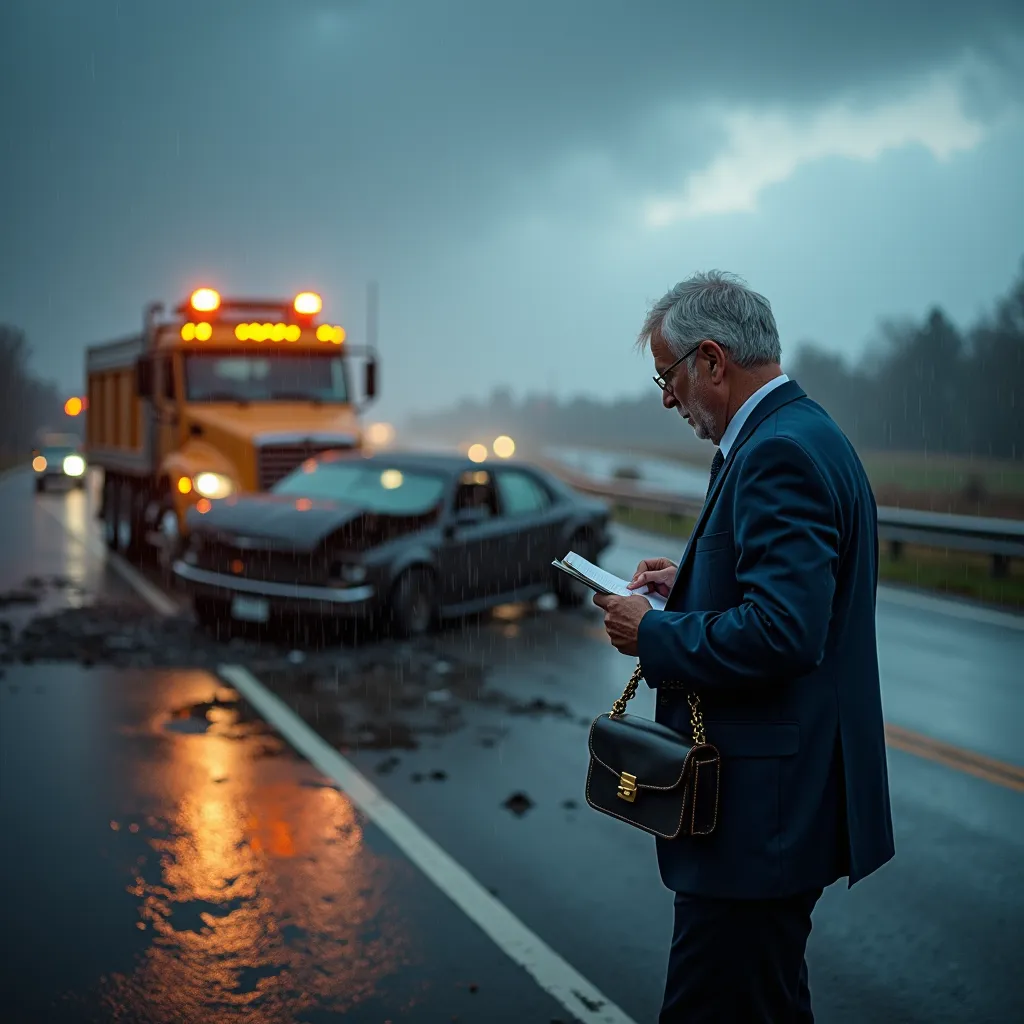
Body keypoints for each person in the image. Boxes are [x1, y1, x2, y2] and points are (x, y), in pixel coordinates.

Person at [593, 271, 895, 1023]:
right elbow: (788, 595)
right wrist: (689, 586)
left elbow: (784, 632)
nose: (668, 399)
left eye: (667, 376)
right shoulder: (800, 431)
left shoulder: (775, 452)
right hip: (779, 811)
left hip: (761, 818)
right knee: (765, 1003)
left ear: (712, 360)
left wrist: (651, 632)